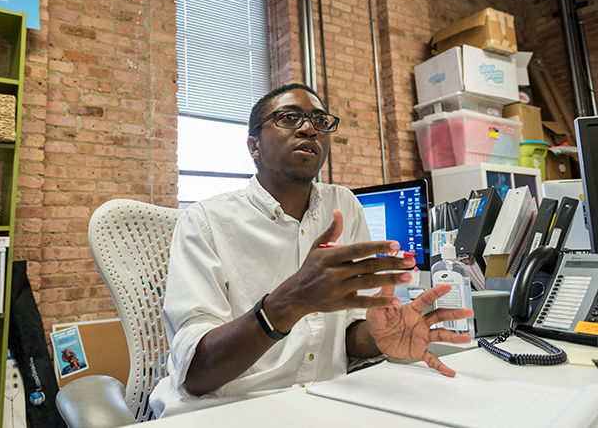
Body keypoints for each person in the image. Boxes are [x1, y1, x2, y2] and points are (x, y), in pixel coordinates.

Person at [150, 83, 473, 417]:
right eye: (289, 117)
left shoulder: (343, 205)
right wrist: (289, 302)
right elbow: (196, 374)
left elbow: (349, 335)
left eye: (320, 121)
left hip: (325, 405)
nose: (308, 128)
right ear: (254, 146)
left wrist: (376, 337)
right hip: (229, 410)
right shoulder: (205, 221)